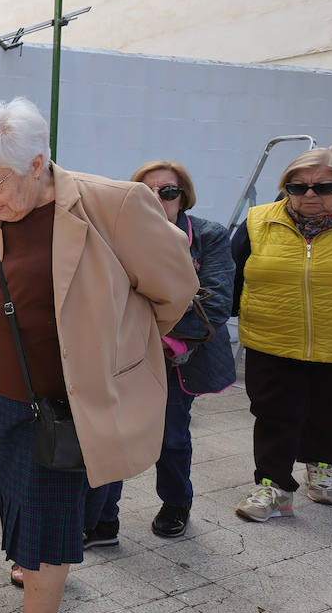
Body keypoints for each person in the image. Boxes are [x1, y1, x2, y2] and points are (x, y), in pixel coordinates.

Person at [0, 97, 198, 613]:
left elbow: (174, 291)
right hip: (2, 393)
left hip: (65, 402)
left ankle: (39, 610)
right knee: (14, 497)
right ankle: (31, 564)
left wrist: (119, 347)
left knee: (49, 517)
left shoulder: (116, 204)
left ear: (37, 164)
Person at [83, 161, 236, 544]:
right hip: (124, 356)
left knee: (170, 435)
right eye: (145, 192)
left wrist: (141, 321)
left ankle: (176, 504)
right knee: (112, 437)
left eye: (168, 192)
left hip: (176, 358)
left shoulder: (207, 236)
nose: (157, 199)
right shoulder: (114, 235)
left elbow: (213, 309)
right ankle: (103, 521)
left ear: (183, 196)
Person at [230, 146, 332, 522]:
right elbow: (230, 274)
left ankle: (322, 465)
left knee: (329, 413)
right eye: (297, 187)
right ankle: (274, 486)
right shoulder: (258, 220)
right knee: (273, 414)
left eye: (323, 186)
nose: (309, 195)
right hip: (271, 337)